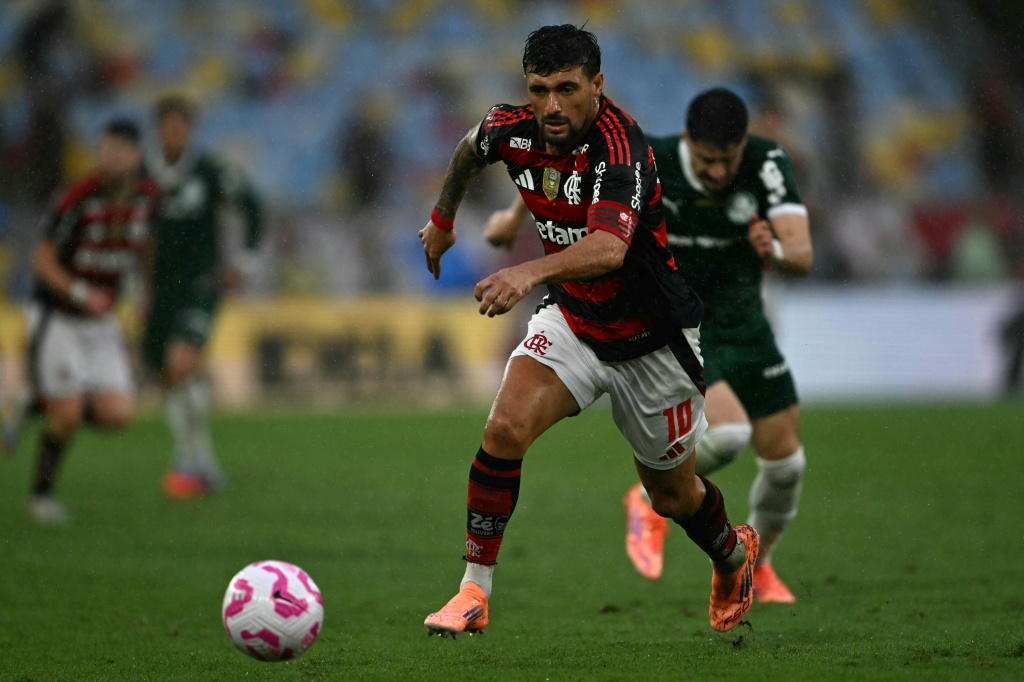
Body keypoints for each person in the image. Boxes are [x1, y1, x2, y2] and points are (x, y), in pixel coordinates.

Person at [418, 25, 758, 638]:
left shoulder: (620, 146)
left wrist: (525, 271)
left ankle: (734, 556)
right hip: (575, 321)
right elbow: (470, 149)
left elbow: (607, 247)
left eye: (567, 89)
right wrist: (442, 219)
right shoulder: (511, 127)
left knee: (673, 498)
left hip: (655, 343)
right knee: (504, 428)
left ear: (596, 85)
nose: (552, 105)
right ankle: (473, 591)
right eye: (539, 89)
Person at [487, 87, 813, 603]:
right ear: (687, 142)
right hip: (685, 324)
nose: (717, 172)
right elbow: (564, 180)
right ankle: (650, 497)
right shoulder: (648, 153)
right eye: (707, 161)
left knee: (787, 465)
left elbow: (802, 253)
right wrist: (511, 215)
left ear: (745, 144)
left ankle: (761, 564)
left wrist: (774, 247)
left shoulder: (767, 162)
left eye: (726, 160)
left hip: (747, 325)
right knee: (729, 437)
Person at [16, 118, 158, 523]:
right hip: (59, 313)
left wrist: (144, 291)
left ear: (136, 156)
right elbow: (42, 261)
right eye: (106, 148)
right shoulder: (76, 197)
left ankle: (39, 401)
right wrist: (80, 293)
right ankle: (41, 496)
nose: (111, 158)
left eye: (120, 150)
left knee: (117, 416)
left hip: (101, 319)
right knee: (69, 413)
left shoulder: (146, 198)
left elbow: (146, 247)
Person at [141, 94, 264, 498]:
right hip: (158, 290)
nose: (175, 134)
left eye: (181, 127)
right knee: (168, 376)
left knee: (180, 363)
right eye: (167, 126)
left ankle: (189, 461)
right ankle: (199, 459)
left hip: (200, 286)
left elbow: (252, 205)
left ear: (189, 131)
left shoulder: (208, 171)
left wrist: (242, 262)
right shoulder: (144, 176)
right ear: (158, 130)